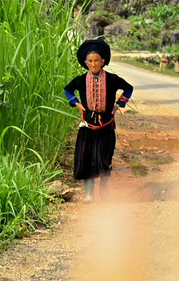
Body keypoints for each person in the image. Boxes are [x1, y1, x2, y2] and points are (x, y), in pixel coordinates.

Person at [64, 38, 134, 202]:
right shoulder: (80, 80)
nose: (94, 64)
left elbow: (129, 88)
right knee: (86, 157)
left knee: (104, 158)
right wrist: (76, 103)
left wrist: (120, 103)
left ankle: (104, 190)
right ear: (85, 62)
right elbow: (68, 90)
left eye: (97, 60)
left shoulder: (112, 79)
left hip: (106, 125)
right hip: (88, 125)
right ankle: (89, 194)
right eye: (90, 61)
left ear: (103, 61)